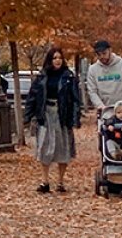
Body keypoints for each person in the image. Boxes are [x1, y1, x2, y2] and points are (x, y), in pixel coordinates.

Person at [23, 46, 81, 194]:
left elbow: (75, 99)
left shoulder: (68, 77)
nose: (57, 61)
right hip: (46, 114)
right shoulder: (42, 77)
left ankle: (61, 182)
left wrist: (74, 118)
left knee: (63, 147)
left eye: (60, 58)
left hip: (62, 115)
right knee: (44, 147)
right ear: (50, 59)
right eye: (54, 58)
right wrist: (28, 115)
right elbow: (33, 96)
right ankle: (45, 181)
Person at [86, 39, 122, 115]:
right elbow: (92, 91)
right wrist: (100, 106)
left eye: (104, 53)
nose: (102, 57)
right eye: (98, 55)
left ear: (110, 50)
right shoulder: (93, 70)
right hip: (106, 110)